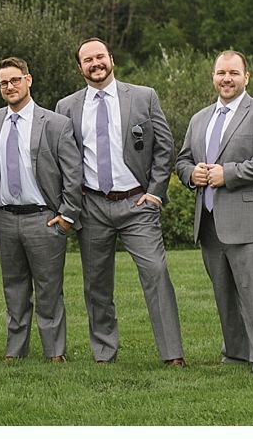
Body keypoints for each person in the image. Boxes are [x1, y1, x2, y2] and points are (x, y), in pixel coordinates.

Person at [55, 37, 186, 367]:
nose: (95, 63)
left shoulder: (143, 97)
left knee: (156, 273)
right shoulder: (66, 107)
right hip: (92, 206)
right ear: (80, 67)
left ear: (111, 59)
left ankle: (172, 355)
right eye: (88, 60)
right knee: (96, 284)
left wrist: (155, 192)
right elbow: (63, 159)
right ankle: (104, 353)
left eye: (100, 57)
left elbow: (164, 148)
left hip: (137, 204)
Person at [175, 50, 253, 375]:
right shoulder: (200, 119)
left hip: (250, 223)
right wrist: (190, 174)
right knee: (224, 296)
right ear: (213, 76)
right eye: (221, 73)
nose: (226, 79)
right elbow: (182, 159)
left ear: (246, 77)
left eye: (233, 73)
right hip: (210, 224)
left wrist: (230, 173)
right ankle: (237, 354)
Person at [0, 57, 83, 363]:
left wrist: (66, 216)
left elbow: (72, 174)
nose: (9, 87)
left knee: (49, 289)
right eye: (3, 83)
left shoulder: (55, 123)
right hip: (6, 218)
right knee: (14, 289)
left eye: (14, 80)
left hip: (44, 219)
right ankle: (16, 351)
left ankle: (55, 351)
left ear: (28, 80)